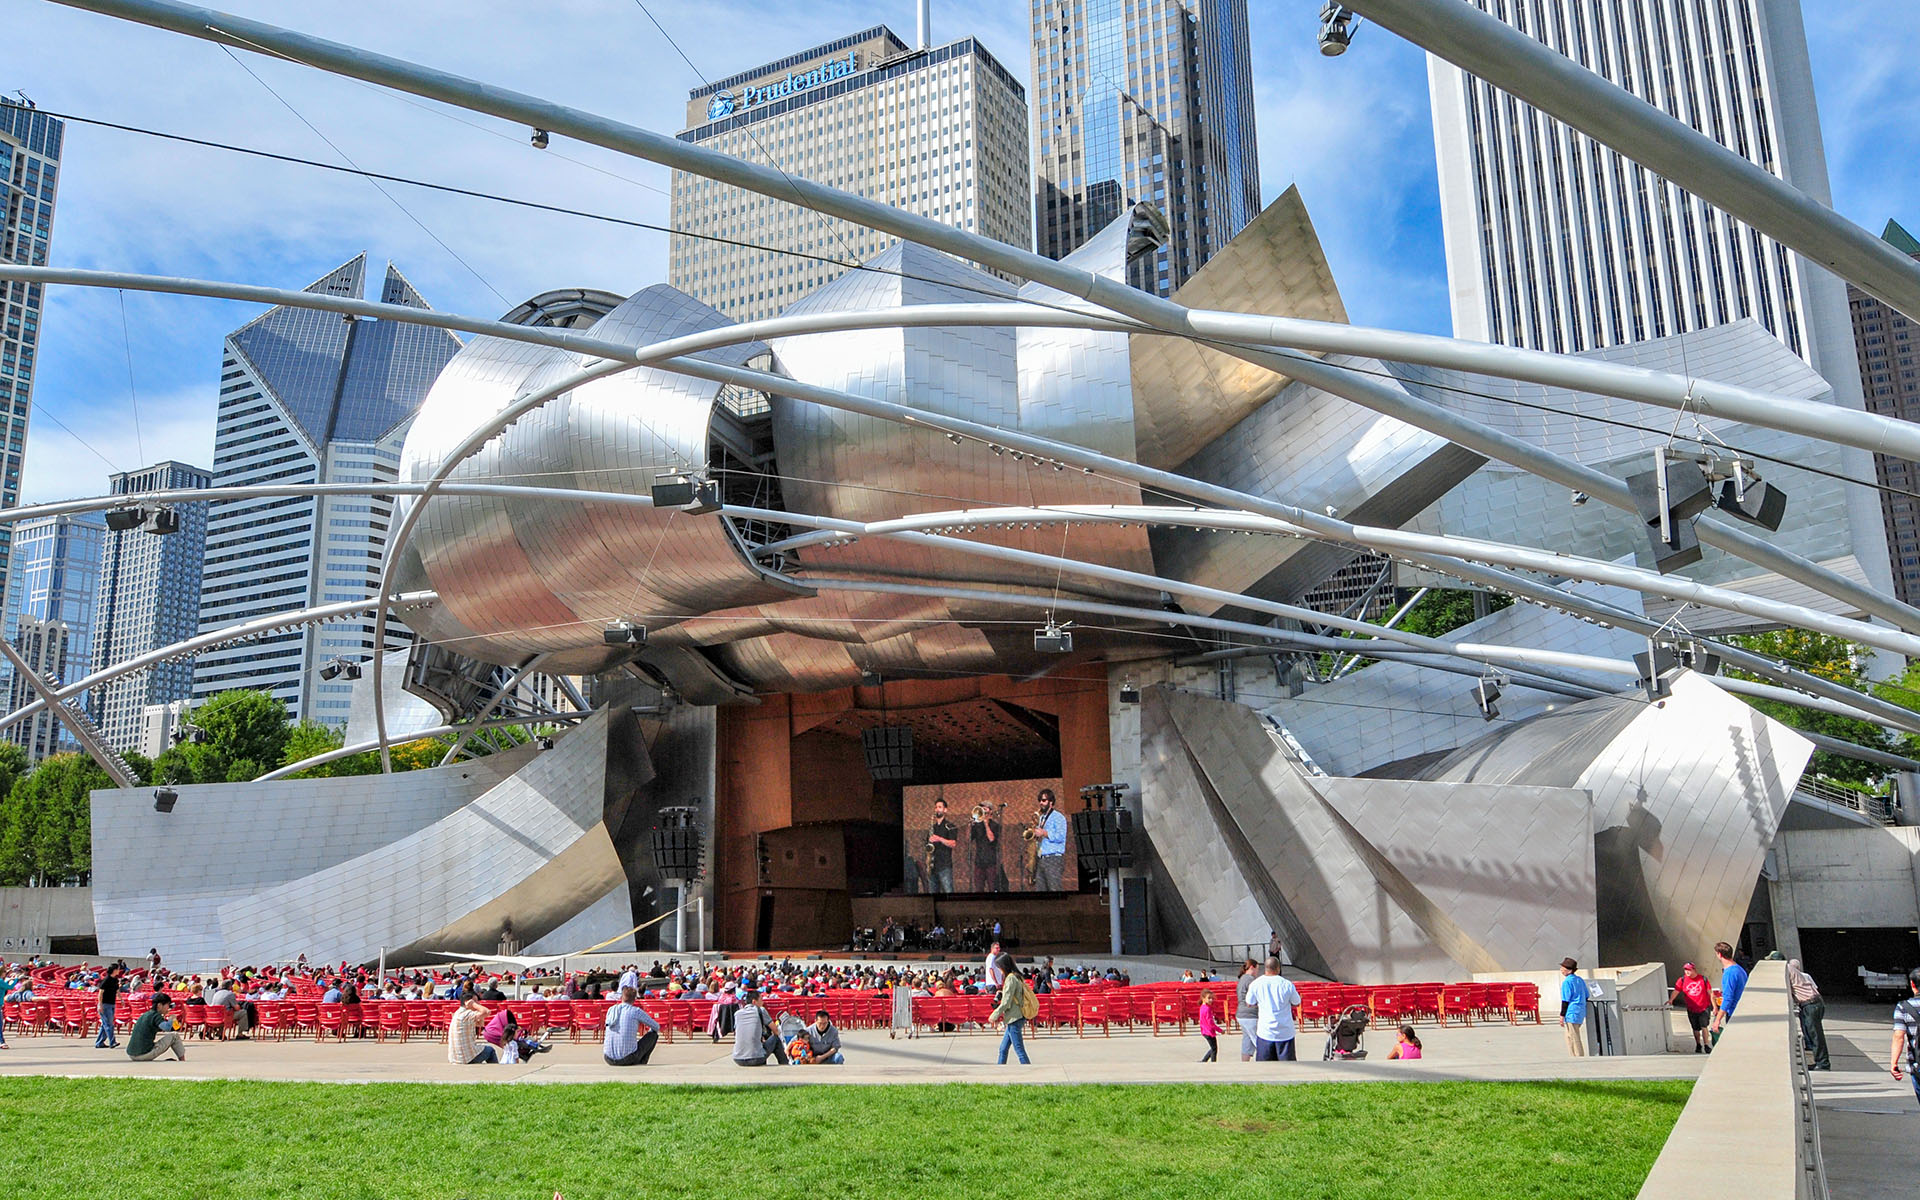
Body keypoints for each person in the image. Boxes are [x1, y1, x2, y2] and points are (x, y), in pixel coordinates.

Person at [1245, 957, 1301, 1061]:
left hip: (1265, 1032)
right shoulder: (1287, 984)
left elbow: (1249, 1003)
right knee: (1288, 1067)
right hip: (1285, 1032)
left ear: (1265, 968)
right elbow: (1297, 1002)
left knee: (1265, 1067)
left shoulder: (1256, 984)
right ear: (1278, 968)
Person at [990, 953, 1037, 1064]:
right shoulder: (1017, 977)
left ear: (1003, 966)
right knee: (1003, 1049)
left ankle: (1029, 1070)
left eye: (999, 967)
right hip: (1016, 1017)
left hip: (1014, 1017)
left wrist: (994, 1015)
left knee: (1019, 1050)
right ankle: (1000, 1069)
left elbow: (1006, 1002)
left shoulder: (1010, 979)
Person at [1786, 958, 1829, 1071]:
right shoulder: (1792, 970)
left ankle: (1823, 1063)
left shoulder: (1787, 970)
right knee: (1811, 1034)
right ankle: (1818, 1061)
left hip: (1811, 1003)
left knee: (1815, 1035)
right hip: (1811, 1003)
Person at [602, 985, 661, 1066]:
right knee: (653, 1035)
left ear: (621, 997)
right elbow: (656, 1026)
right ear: (634, 999)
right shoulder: (635, 1011)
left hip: (608, 1057)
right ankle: (641, 1062)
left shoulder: (611, 1010)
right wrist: (650, 1030)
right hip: (628, 1058)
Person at [731, 988, 788, 1066]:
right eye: (761, 1000)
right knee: (775, 1039)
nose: (763, 1002)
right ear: (754, 1002)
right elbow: (776, 1031)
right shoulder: (760, 1010)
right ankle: (785, 1064)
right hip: (755, 1058)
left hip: (738, 1058)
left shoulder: (737, 1014)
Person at [1668, 962, 1714, 1055]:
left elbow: (1710, 993)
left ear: (1694, 970)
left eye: (1689, 970)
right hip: (1691, 1008)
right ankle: (1698, 1044)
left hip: (1703, 1007)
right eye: (1685, 970)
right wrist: (1671, 1000)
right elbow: (1676, 991)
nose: (1687, 972)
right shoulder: (1682, 980)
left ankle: (1706, 1045)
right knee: (1695, 1028)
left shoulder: (1703, 979)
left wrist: (1715, 1006)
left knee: (1704, 1026)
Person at [1890, 967, 1920, 1107]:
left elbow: (1899, 1037)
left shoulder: (1903, 1008)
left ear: (1912, 984)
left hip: (1917, 1065)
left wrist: (1894, 1063)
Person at [127, 994, 187, 1063]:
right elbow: (167, 1028)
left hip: (132, 1054)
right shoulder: (156, 1016)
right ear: (159, 1005)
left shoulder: (146, 1014)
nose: (168, 1008)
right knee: (174, 1036)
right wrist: (171, 1019)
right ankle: (182, 1060)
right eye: (168, 1005)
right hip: (143, 1054)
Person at [1710, 941, 1747, 1044]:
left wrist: (1717, 1020)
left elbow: (1728, 999)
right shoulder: (1739, 969)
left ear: (1719, 954)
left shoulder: (1729, 973)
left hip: (1733, 1013)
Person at [1032, 789, 1068, 891]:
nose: (1041, 803)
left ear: (1051, 802)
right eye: (1040, 800)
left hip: (1053, 859)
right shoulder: (1042, 818)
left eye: (1043, 800)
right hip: (1041, 858)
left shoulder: (1058, 817)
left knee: (1055, 889)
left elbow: (1060, 836)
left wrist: (1044, 833)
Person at [448, 997, 497, 1065]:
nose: (478, 1003)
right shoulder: (466, 1014)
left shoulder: (458, 1013)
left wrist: (478, 1011)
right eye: (475, 1001)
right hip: (465, 1058)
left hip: (455, 1058)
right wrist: (475, 1005)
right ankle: (495, 1068)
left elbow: (480, 1024)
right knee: (490, 1050)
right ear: (468, 1002)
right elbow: (487, 1012)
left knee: (482, 1049)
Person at [1559, 957, 1590, 1057]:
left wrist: (1562, 1015)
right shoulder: (1579, 980)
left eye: (1563, 968)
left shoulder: (1567, 982)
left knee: (1574, 1037)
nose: (1561, 970)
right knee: (1570, 1036)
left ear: (1569, 970)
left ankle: (1578, 1056)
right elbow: (1587, 995)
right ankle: (1573, 1055)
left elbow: (1565, 1000)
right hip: (1580, 1011)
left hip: (1571, 1012)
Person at [927, 799, 959, 894]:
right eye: (936, 807)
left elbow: (953, 843)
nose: (937, 809)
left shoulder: (950, 826)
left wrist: (939, 839)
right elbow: (928, 846)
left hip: (944, 866)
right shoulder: (932, 828)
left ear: (945, 810)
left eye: (940, 807)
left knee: (948, 892)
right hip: (933, 866)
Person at [970, 804, 1003, 892]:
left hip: (991, 862)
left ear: (990, 811)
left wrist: (986, 824)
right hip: (979, 861)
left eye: (986, 808)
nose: (983, 809)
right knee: (978, 888)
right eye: (982, 807)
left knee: (992, 887)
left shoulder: (996, 825)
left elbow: (991, 839)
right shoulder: (977, 825)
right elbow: (968, 839)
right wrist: (970, 825)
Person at [1234, 957, 1261, 1062]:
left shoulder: (1242, 979)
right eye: (1257, 969)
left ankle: (1244, 1063)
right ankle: (1266, 1060)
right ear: (1252, 967)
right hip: (1251, 1014)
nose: (1258, 972)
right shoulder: (1251, 980)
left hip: (1241, 1013)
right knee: (1258, 1039)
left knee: (1247, 1039)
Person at [94, 964, 123, 1049]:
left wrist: (121, 999)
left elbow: (117, 990)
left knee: (105, 1025)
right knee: (109, 1024)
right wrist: (100, 1005)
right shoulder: (106, 980)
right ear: (114, 970)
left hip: (112, 1003)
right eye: (118, 969)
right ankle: (112, 1042)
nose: (119, 971)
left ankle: (99, 1043)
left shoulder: (115, 980)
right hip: (105, 1004)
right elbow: (100, 993)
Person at [1197, 989, 1219, 1063]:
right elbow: (1210, 1022)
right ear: (1203, 998)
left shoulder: (1202, 1007)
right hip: (1209, 1031)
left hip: (1204, 1030)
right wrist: (1219, 1030)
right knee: (1214, 1049)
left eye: (1212, 998)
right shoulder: (1207, 1009)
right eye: (1209, 998)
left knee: (1213, 1048)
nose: (1211, 1000)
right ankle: (1213, 1062)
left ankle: (1204, 1060)